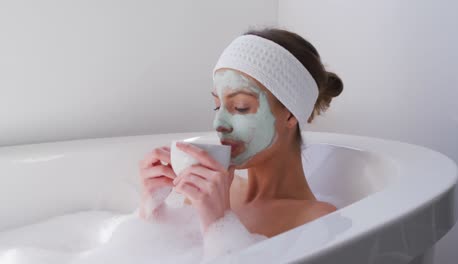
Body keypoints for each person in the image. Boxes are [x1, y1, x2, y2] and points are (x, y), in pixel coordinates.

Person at [138, 28, 343, 239]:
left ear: (290, 115)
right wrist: (152, 211)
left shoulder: (318, 221)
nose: (219, 123)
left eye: (240, 107)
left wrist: (218, 224)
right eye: (217, 106)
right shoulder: (212, 188)